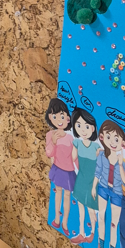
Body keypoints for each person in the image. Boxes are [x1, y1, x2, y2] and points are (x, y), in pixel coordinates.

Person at [92, 120, 125, 248]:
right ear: (102, 137)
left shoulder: (123, 164)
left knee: (114, 224)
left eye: (116, 139)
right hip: (102, 188)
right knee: (101, 217)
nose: (112, 142)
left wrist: (120, 165)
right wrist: (93, 187)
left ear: (122, 143)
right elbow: (98, 172)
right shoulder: (102, 156)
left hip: (117, 193)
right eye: (108, 137)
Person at [69, 107, 100, 245]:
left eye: (87, 126)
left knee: (91, 209)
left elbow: (101, 164)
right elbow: (72, 158)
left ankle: (92, 232)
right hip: (81, 179)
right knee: (80, 207)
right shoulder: (77, 143)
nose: (83, 130)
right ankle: (81, 232)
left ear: (92, 128)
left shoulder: (96, 147)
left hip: (91, 181)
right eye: (79, 125)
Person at [45, 98, 75, 235]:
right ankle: (57, 218)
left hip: (68, 171)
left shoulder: (70, 138)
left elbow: (74, 157)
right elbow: (49, 153)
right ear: (50, 117)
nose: (59, 120)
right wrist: (53, 142)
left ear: (68, 118)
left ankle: (65, 223)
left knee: (67, 195)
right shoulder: (50, 135)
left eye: (62, 116)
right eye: (55, 117)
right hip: (57, 168)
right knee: (58, 193)